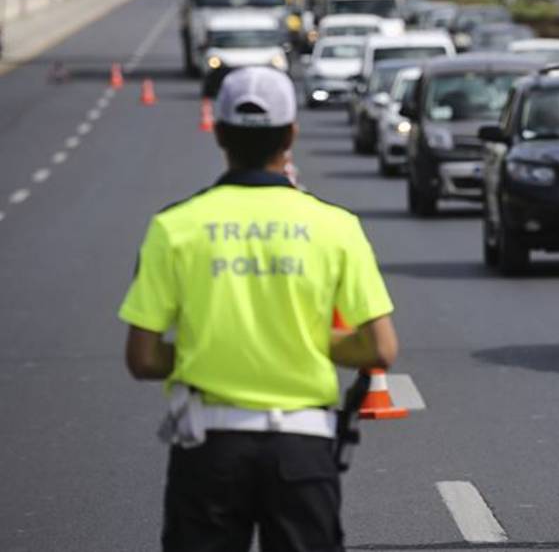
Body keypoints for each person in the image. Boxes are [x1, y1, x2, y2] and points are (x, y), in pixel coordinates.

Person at [119, 66, 398, 552]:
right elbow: (380, 347)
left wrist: (209, 349)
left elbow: (142, 358)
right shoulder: (336, 227)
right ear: (291, 133)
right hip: (302, 449)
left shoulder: (174, 227)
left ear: (220, 133)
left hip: (208, 448)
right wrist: (305, 343)